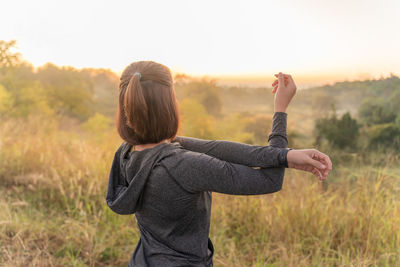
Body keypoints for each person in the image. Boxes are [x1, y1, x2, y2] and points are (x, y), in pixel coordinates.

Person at [106, 61, 332, 267]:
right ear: (168, 104)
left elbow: (219, 148)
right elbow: (270, 180)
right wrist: (280, 111)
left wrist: (286, 156)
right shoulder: (182, 165)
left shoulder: (126, 153)